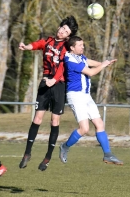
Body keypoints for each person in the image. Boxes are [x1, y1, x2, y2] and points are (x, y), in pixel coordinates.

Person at [18, 16, 78, 171]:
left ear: (68, 36)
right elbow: (38, 44)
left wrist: (55, 80)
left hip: (59, 86)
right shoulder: (49, 41)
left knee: (54, 121)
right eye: (62, 28)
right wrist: (27, 47)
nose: (62, 31)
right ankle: (27, 153)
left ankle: (48, 157)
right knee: (37, 117)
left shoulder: (67, 48)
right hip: (46, 83)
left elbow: (62, 67)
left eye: (66, 31)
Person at [59, 36, 123, 165]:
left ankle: (108, 155)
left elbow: (89, 62)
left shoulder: (80, 57)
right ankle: (64, 147)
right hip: (75, 96)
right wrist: (103, 65)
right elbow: (90, 72)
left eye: (83, 44)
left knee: (99, 124)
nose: (83, 47)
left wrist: (105, 63)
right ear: (72, 47)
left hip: (86, 96)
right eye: (80, 45)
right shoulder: (69, 60)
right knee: (84, 129)